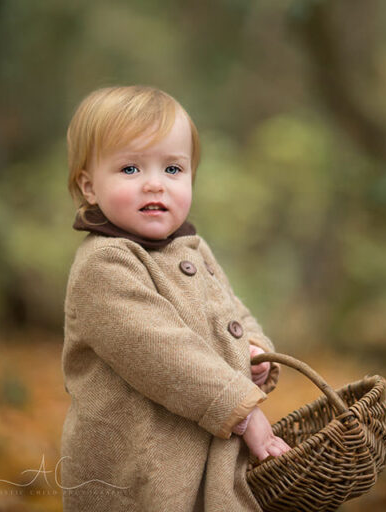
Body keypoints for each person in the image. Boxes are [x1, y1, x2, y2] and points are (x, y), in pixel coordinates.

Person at [60, 85, 291, 511]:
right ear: (89, 187)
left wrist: (256, 352)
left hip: (207, 454)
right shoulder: (104, 264)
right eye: (130, 169)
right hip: (138, 470)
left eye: (173, 169)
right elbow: (161, 350)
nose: (155, 185)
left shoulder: (191, 249)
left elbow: (230, 309)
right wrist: (242, 410)